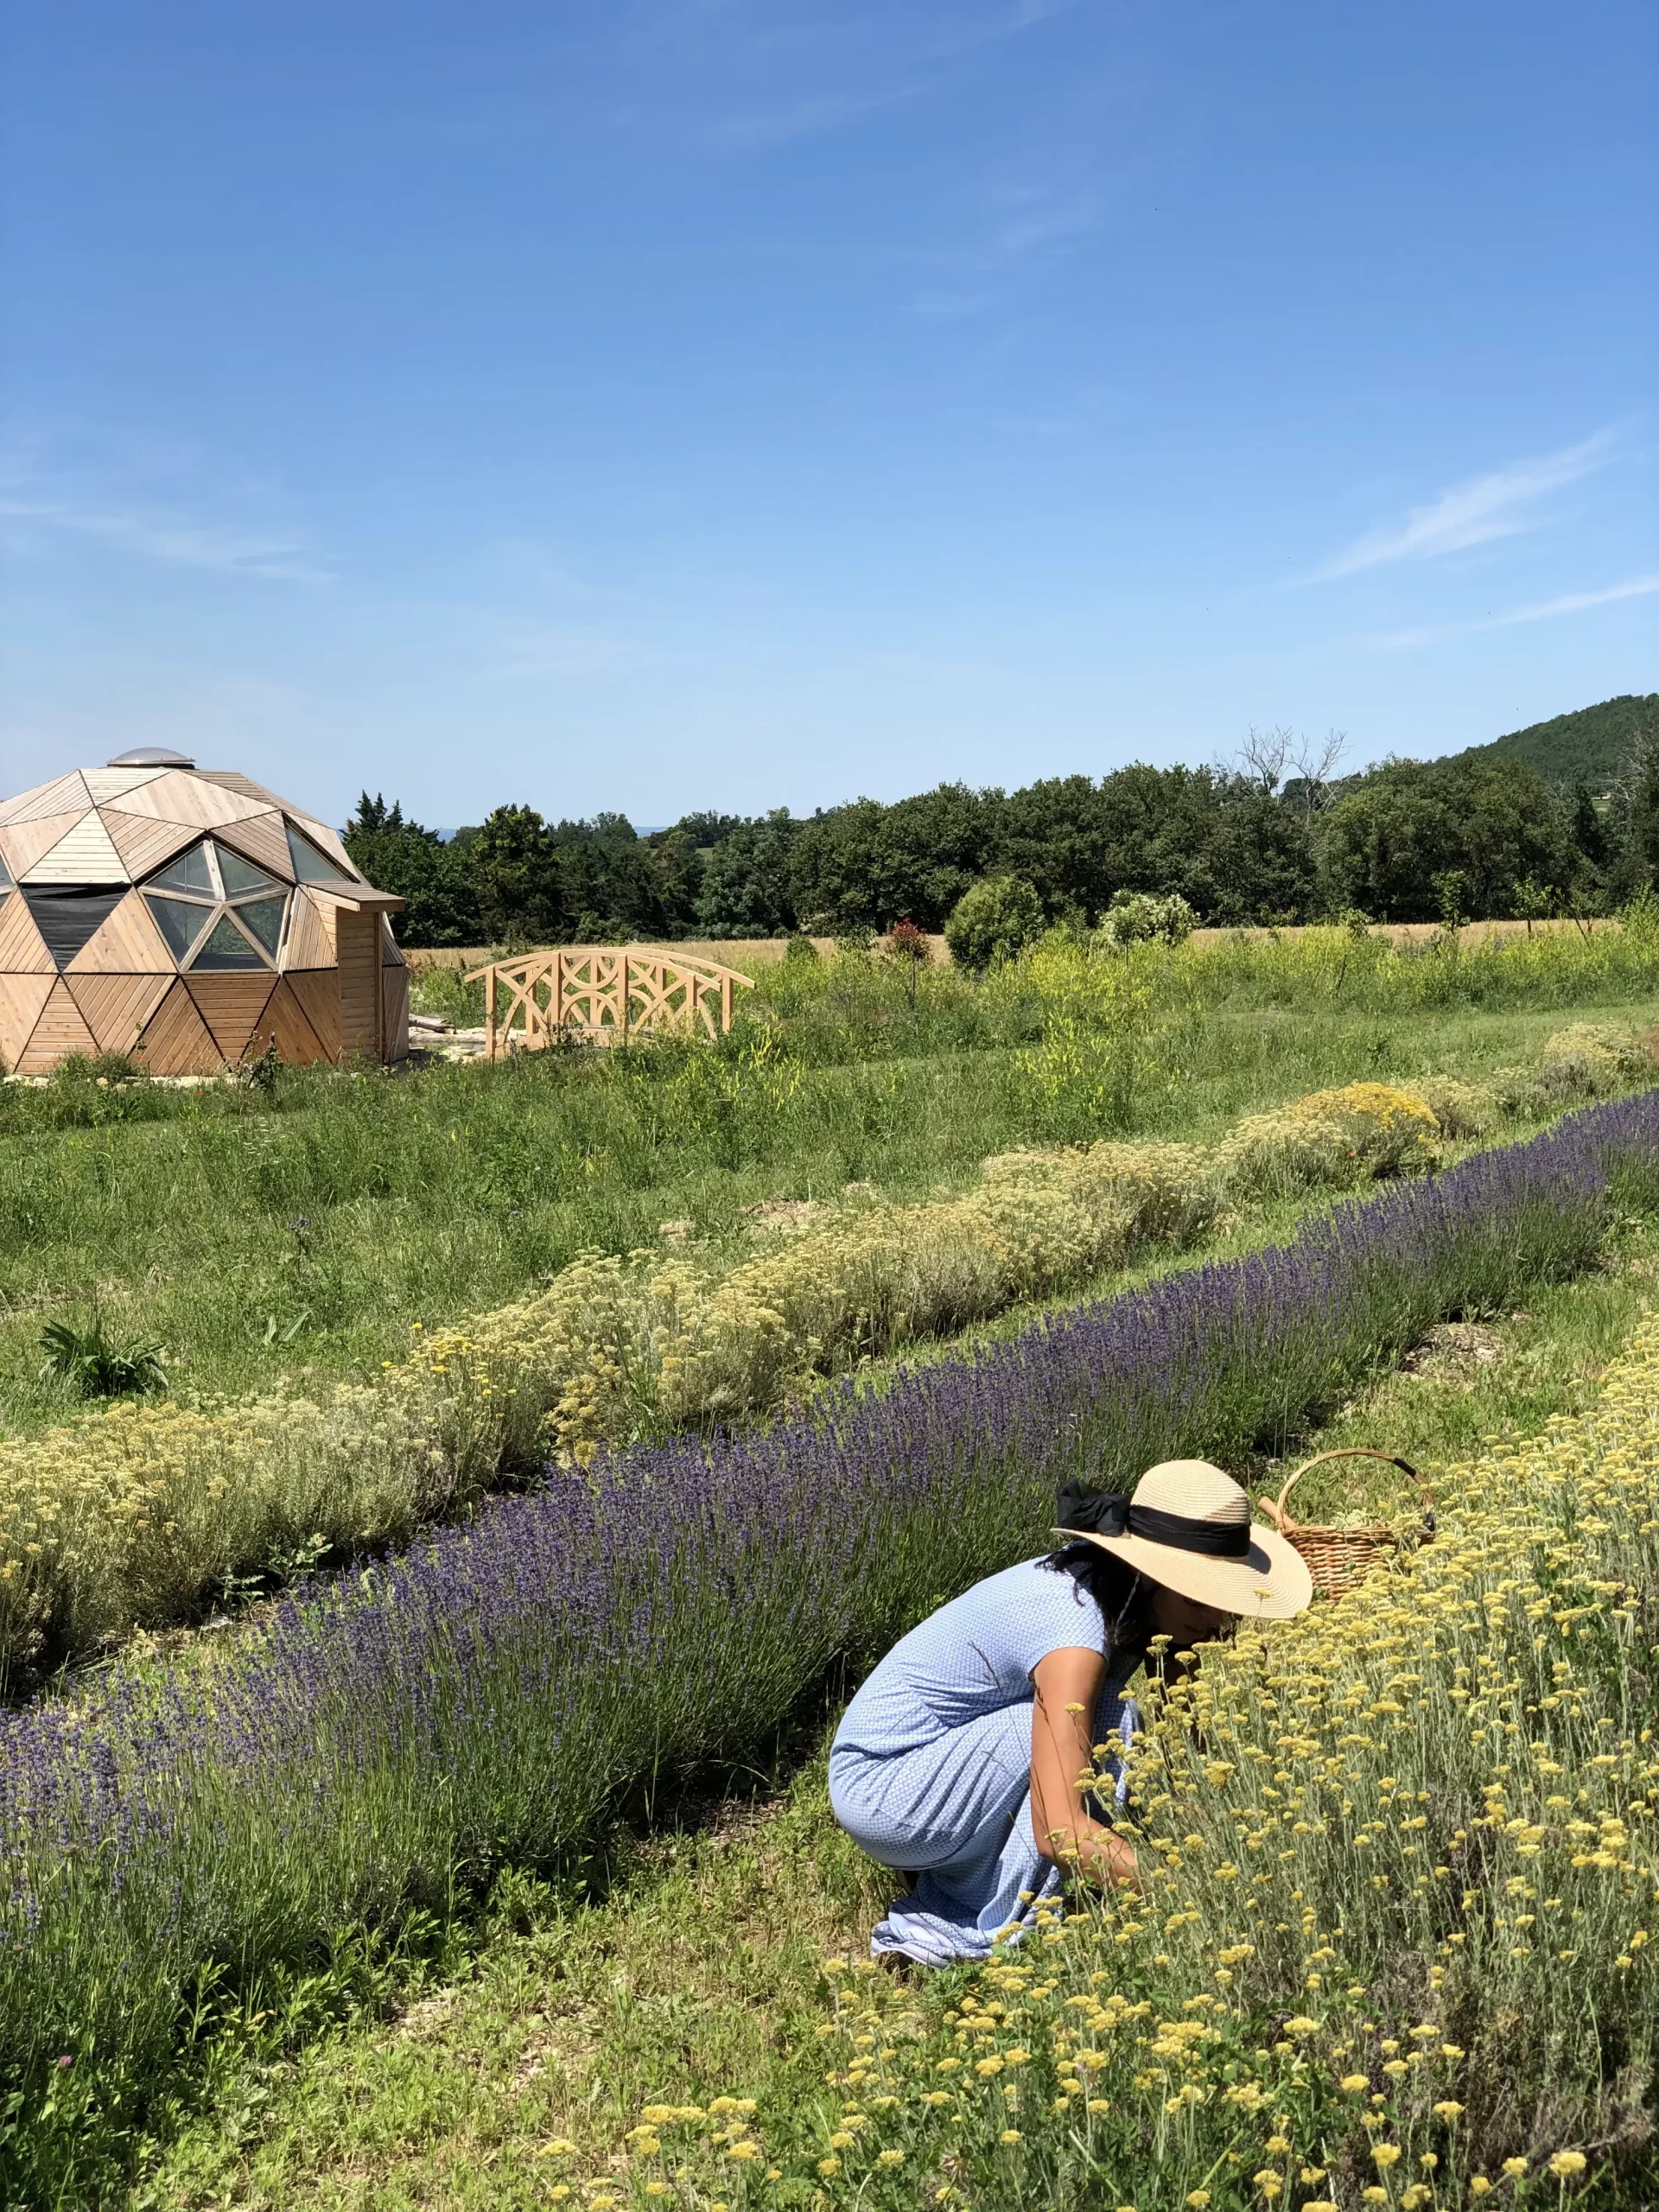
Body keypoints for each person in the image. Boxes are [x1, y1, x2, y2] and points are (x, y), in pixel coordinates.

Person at [828, 1458, 1313, 1966]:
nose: (1217, 1619)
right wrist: (1193, 1889)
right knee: (1104, 1721)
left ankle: (966, 1859)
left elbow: (1185, 1738)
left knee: (1093, 1731)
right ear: (1152, 1575)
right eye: (1200, 1600)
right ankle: (960, 1913)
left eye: (1223, 1598)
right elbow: (1058, 1828)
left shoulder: (1138, 1594)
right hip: (884, 1789)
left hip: (941, 1764)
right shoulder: (1075, 1631)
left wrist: (1215, 1823)